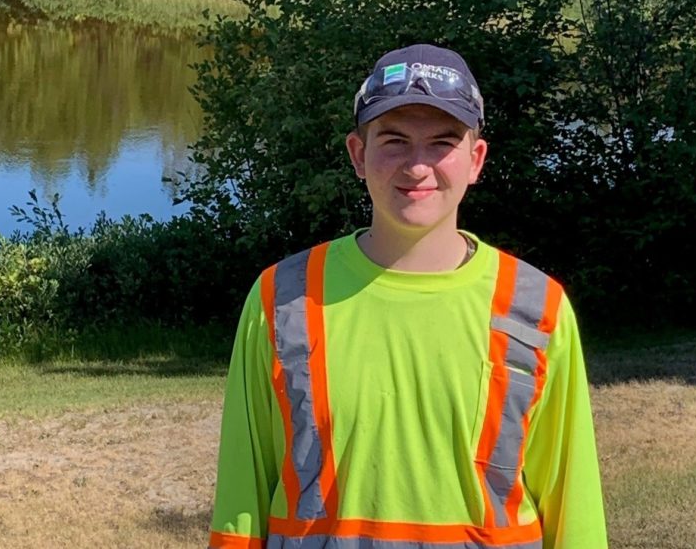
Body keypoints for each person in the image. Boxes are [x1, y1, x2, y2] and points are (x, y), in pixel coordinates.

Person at [208, 44, 607, 549]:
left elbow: (574, 509)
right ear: (359, 153)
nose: (418, 166)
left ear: (475, 160)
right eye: (394, 141)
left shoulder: (537, 306)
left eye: (442, 143)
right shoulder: (283, 299)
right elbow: (241, 497)